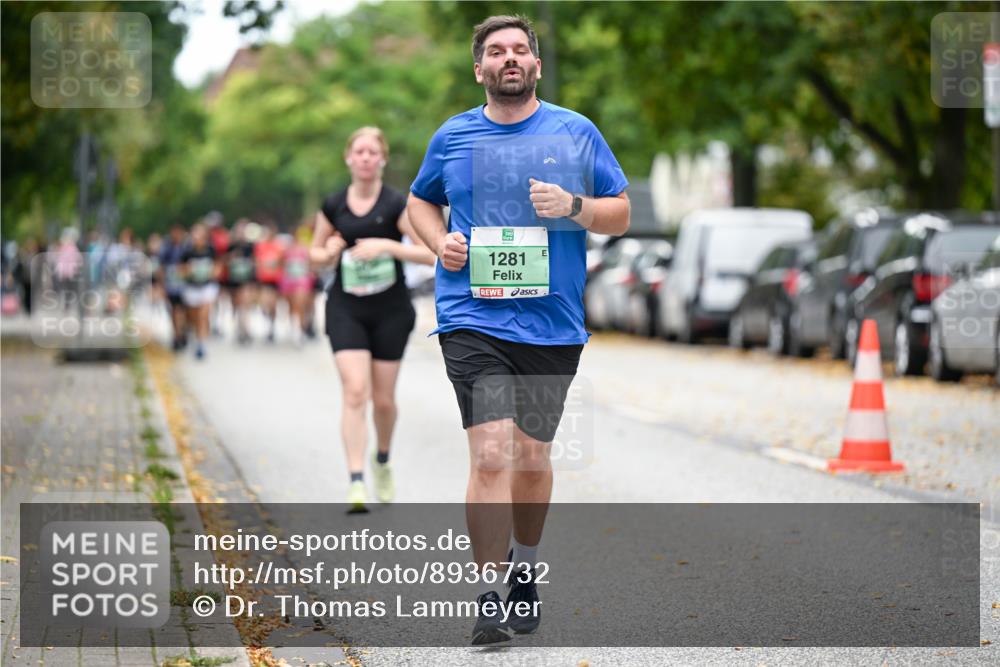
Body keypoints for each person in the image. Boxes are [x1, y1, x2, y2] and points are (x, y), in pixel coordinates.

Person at [407, 15, 630, 645]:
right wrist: (438, 242)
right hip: (471, 315)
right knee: (491, 452)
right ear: (478, 68)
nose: (510, 58)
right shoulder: (452, 136)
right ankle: (487, 598)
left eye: (521, 50)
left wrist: (574, 206)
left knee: (532, 457)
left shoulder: (575, 131)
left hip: (552, 323)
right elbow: (419, 201)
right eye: (496, 51)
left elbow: (619, 213)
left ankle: (525, 571)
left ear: (535, 65)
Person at [311, 126, 436, 513]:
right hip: (346, 307)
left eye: (372, 152)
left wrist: (386, 246)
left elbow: (431, 253)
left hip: (390, 310)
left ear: (382, 159)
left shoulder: (397, 204)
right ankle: (355, 481)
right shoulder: (334, 205)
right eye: (359, 151)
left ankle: (381, 459)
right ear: (348, 158)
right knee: (354, 391)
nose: (365, 157)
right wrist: (328, 251)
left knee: (383, 400)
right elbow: (313, 254)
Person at [180, 222, 219, 360]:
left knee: (203, 315)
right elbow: (180, 271)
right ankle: (195, 336)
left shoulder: (211, 250)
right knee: (194, 318)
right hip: (192, 288)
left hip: (207, 287)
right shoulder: (187, 252)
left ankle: (201, 344)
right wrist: (188, 271)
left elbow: (218, 267)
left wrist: (213, 272)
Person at [280, 223, 316, 346]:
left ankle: (300, 331)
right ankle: (294, 327)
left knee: (300, 305)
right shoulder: (286, 250)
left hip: (302, 281)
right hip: (289, 281)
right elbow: (282, 264)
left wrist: (311, 272)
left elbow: (312, 263)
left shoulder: (305, 248)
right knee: (291, 306)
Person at [224, 219, 257, 345]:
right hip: (234, 280)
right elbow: (224, 262)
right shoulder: (231, 246)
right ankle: (239, 328)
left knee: (245, 305)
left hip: (246, 279)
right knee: (237, 305)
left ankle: (245, 330)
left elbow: (255, 262)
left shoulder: (250, 246)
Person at [159, 224, 189, 351]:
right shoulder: (166, 249)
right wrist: (162, 286)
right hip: (171, 286)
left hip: (185, 286)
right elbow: (161, 269)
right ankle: (177, 335)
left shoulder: (187, 248)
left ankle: (181, 332)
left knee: (183, 312)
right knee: (174, 311)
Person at [254, 222, 284, 343]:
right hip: (263, 279)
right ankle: (268, 321)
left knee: (273, 304)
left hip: (275, 279)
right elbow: (257, 261)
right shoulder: (260, 246)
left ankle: (271, 326)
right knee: (264, 303)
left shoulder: (279, 246)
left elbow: (282, 262)